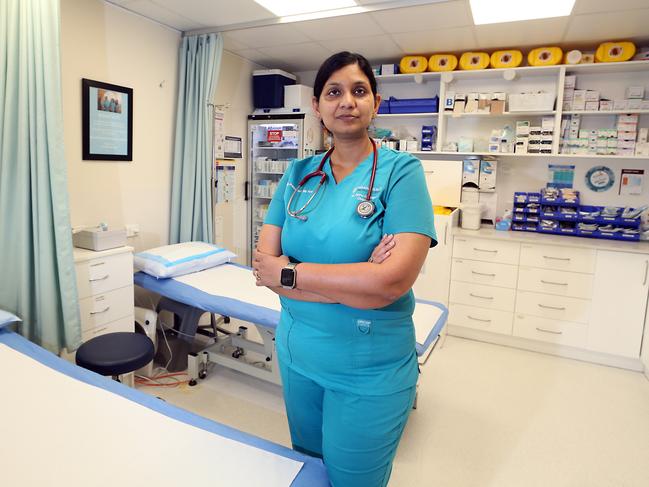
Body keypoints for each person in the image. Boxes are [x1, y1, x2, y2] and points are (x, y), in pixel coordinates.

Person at [252, 51, 436, 487]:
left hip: (369, 369)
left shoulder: (402, 173)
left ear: (375, 101)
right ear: (317, 106)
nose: (347, 102)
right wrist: (358, 282)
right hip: (298, 358)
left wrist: (292, 273)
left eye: (359, 91)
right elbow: (263, 266)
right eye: (334, 92)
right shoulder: (297, 173)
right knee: (311, 472)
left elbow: (391, 281)